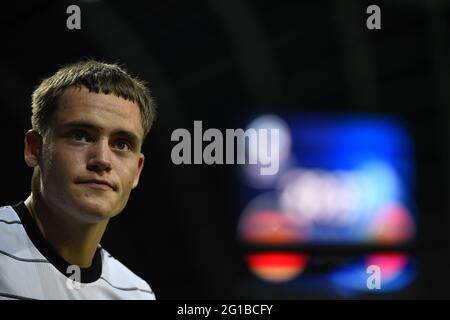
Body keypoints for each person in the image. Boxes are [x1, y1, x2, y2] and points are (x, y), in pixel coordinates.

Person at [0, 59, 157, 300]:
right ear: (34, 149)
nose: (102, 159)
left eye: (122, 144)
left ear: (137, 171)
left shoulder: (136, 294)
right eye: (80, 135)